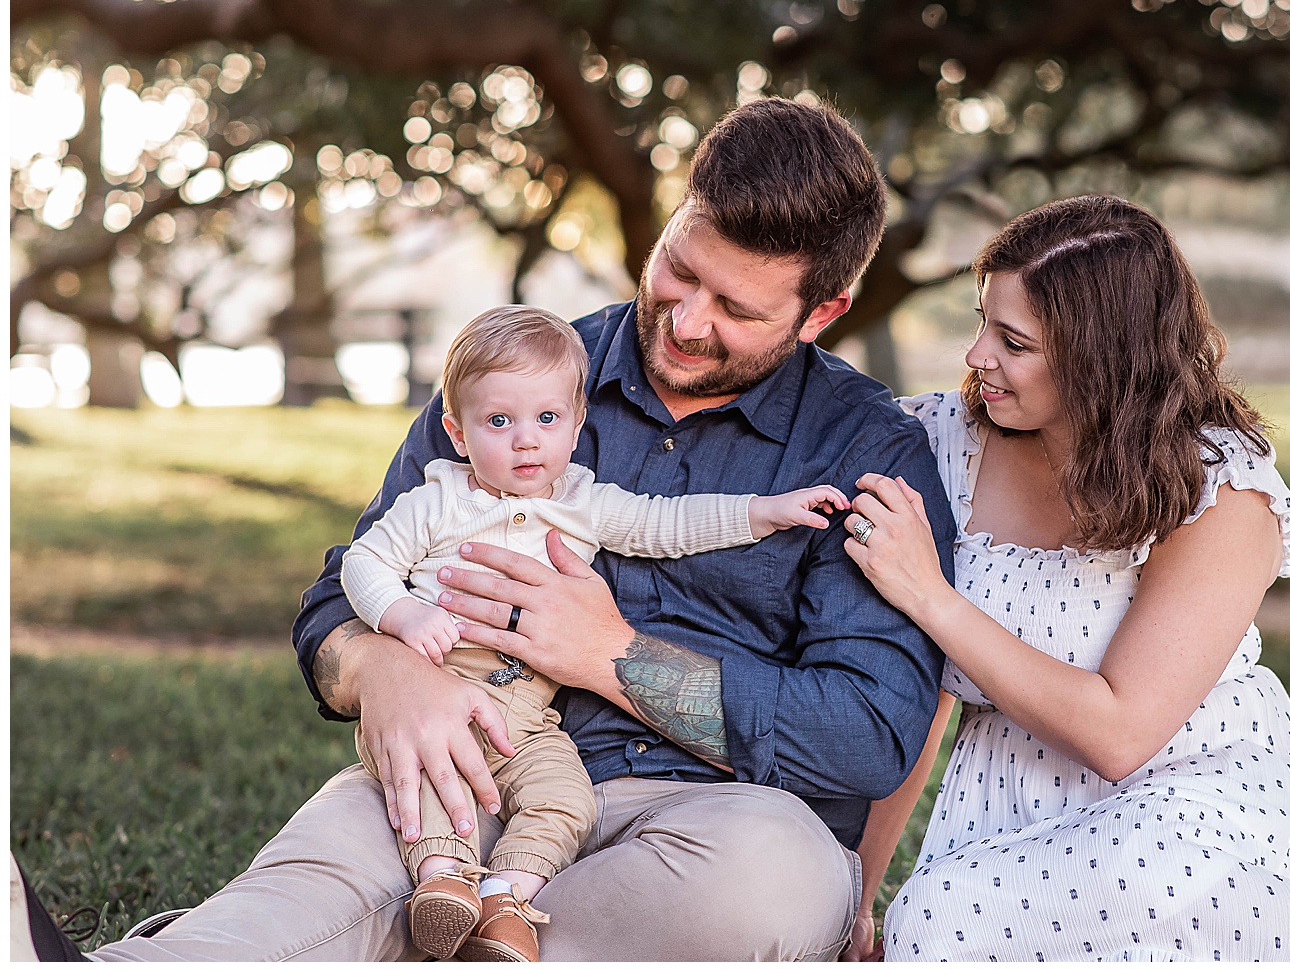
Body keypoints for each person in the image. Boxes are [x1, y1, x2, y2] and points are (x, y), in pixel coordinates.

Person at [76, 96, 955, 961]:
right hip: (477, 761)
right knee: (304, 892)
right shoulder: (514, 376)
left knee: (769, 879)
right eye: (680, 270)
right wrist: (385, 667)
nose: (688, 321)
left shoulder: (865, 450)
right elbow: (331, 604)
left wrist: (610, 654)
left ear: (823, 312)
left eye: (738, 309)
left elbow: (869, 734)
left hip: (720, 823)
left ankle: (489, 932)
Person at [834, 195, 1290, 962]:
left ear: (1100, 357)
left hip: (1199, 802)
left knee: (951, 917)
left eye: (1014, 341)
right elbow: (905, 697)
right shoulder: (937, 445)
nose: (978, 355)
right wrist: (859, 896)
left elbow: (1119, 735)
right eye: (982, 322)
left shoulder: (1219, 483)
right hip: (1010, 816)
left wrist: (931, 595)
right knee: (928, 923)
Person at [341, 303, 851, 960]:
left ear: (576, 424)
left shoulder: (583, 501)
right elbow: (364, 562)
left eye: (546, 419)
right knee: (436, 791)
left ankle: (505, 896)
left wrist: (764, 511)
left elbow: (669, 524)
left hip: (527, 720)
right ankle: (442, 883)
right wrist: (403, 615)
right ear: (457, 432)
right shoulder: (437, 500)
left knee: (566, 800)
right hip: (439, 688)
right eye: (499, 421)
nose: (526, 439)